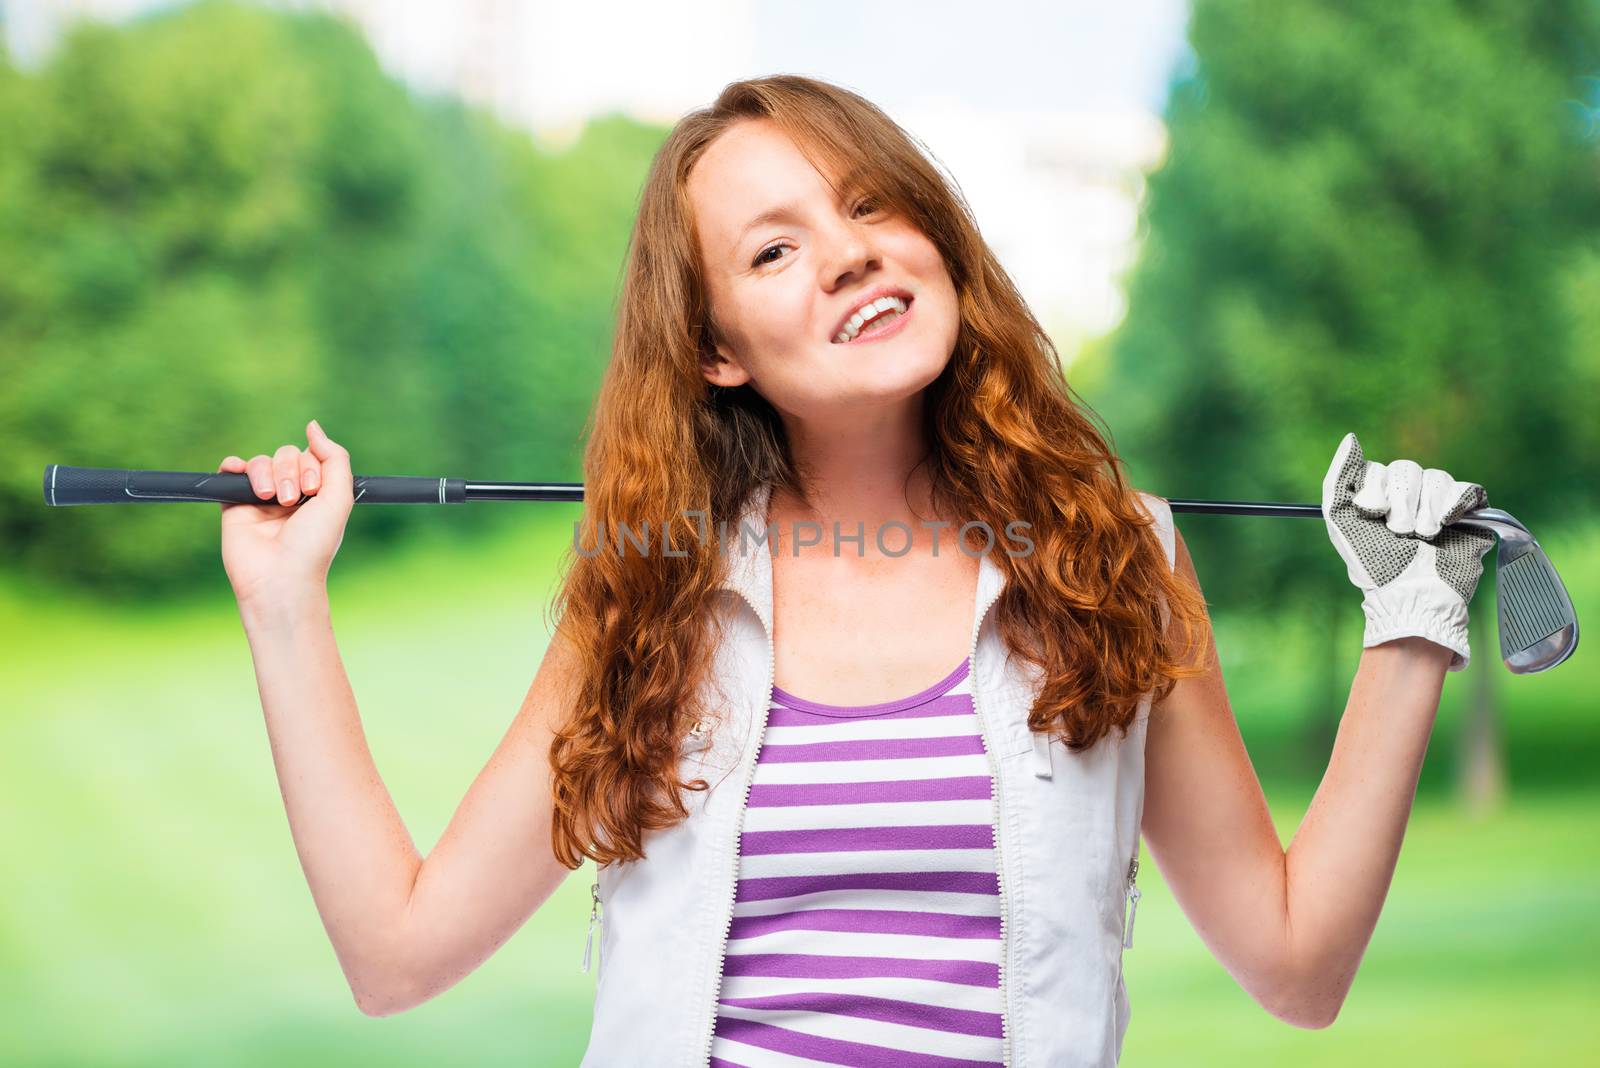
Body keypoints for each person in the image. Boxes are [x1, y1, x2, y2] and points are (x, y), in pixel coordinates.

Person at [216, 75, 1496, 1066]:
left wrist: (1412, 622)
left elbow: (1295, 966)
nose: (846, 252)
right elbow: (396, 954)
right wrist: (284, 606)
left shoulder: (1117, 558)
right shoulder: (657, 585)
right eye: (772, 251)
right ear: (718, 351)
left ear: (934, 240)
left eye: (869, 204)